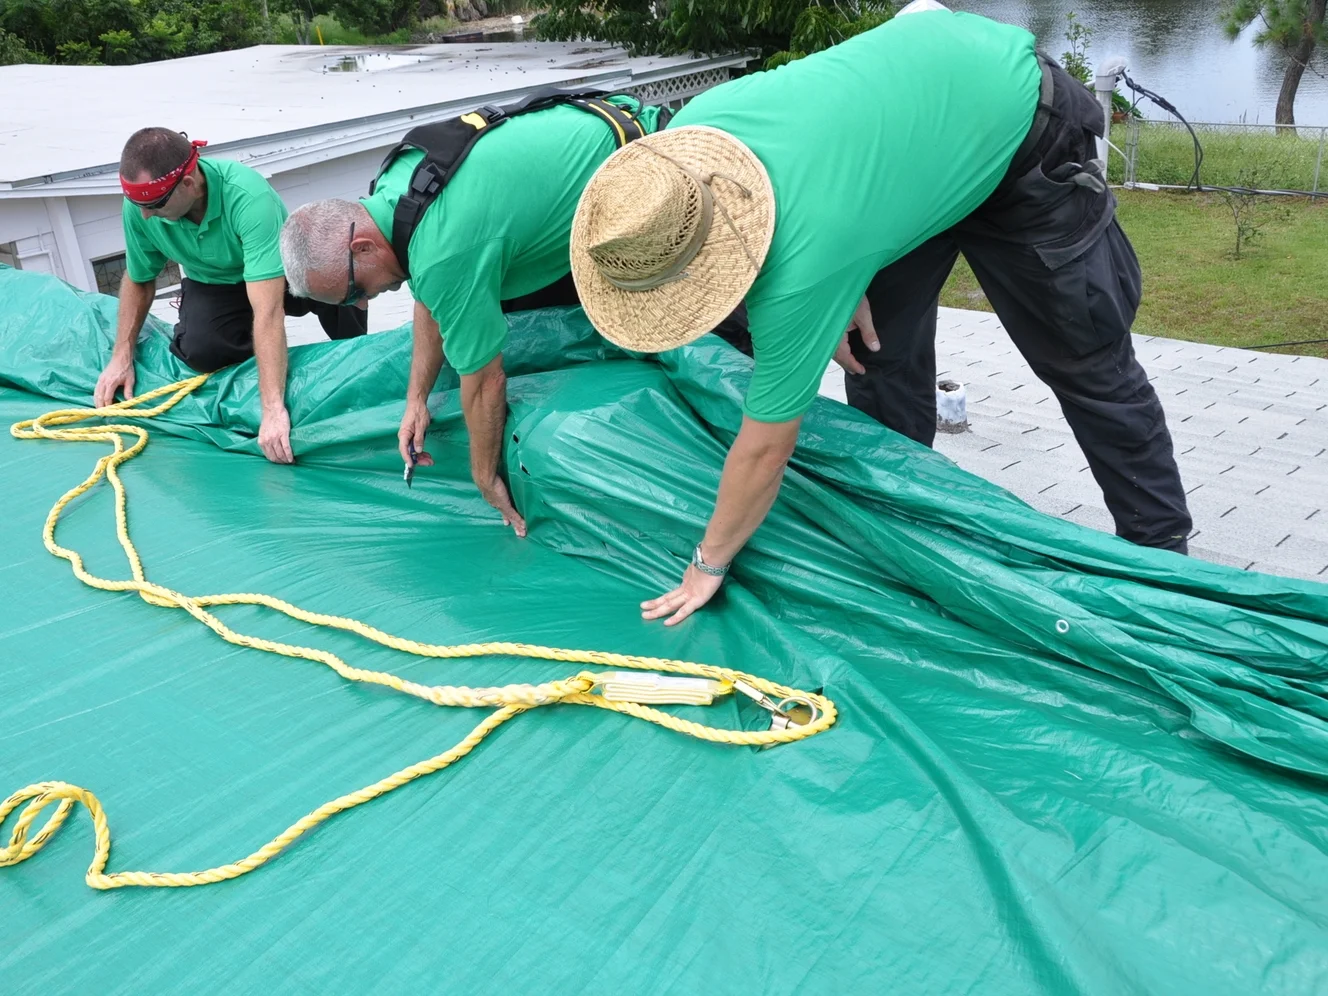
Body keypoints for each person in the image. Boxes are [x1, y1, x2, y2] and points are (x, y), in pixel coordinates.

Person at [568, 8, 1193, 625]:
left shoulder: (800, 268)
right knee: (879, 356)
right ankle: (903, 528)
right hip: (901, 157)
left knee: (1087, 363)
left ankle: (1165, 563)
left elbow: (764, 450)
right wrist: (852, 274)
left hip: (1018, 123)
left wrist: (707, 565)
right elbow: (842, 178)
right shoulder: (695, 137)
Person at [96, 127, 368, 463]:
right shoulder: (141, 208)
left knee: (339, 280)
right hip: (215, 282)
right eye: (137, 204)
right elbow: (139, 280)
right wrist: (121, 356)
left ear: (189, 184)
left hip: (280, 271)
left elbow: (269, 312)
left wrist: (273, 409)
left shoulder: (248, 197)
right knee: (200, 350)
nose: (145, 215)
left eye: (153, 204)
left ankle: (357, 352)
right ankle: (260, 365)